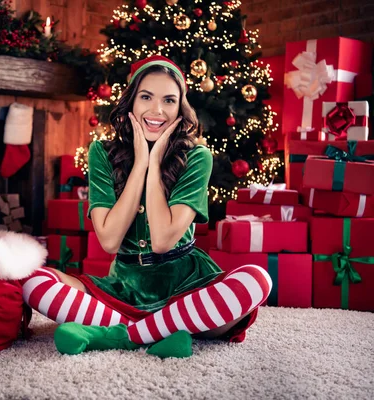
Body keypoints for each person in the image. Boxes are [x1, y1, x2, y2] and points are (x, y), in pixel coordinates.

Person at [20, 55, 272, 358]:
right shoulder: (102, 152)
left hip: (187, 284)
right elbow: (110, 241)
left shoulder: (197, 157)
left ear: (180, 107)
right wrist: (140, 164)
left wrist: (155, 163)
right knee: (34, 281)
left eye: (169, 100)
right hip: (125, 285)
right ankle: (162, 332)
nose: (157, 110)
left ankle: (122, 334)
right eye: (146, 97)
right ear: (131, 103)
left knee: (256, 281)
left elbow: (163, 241)